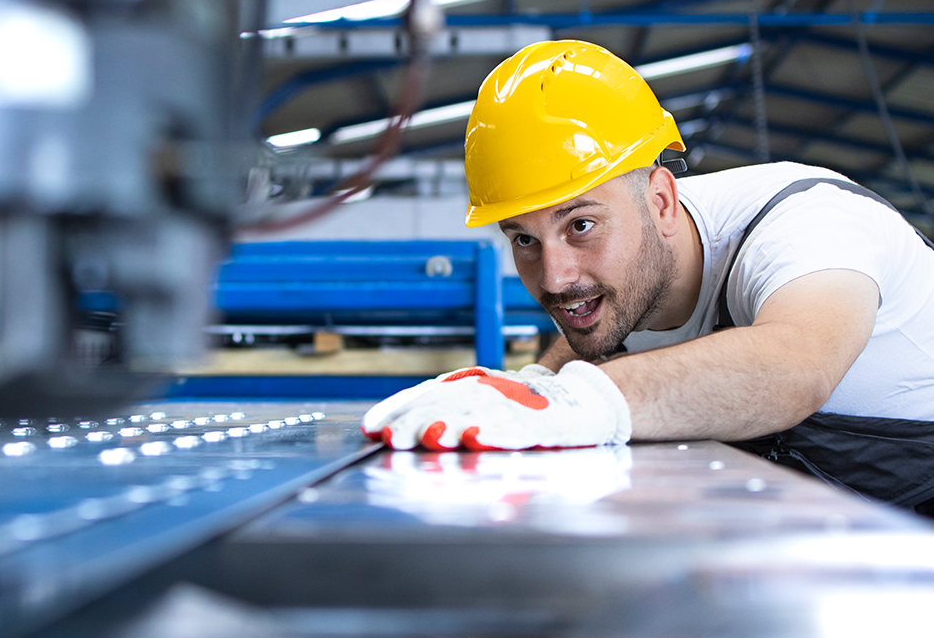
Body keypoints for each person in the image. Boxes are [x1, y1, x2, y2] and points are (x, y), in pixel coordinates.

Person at [362, 39, 934, 511]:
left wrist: (575, 404)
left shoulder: (807, 221)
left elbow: (795, 365)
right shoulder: (629, 275)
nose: (555, 276)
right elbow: (581, 350)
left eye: (581, 225)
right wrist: (523, 388)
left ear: (661, 201)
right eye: (524, 239)